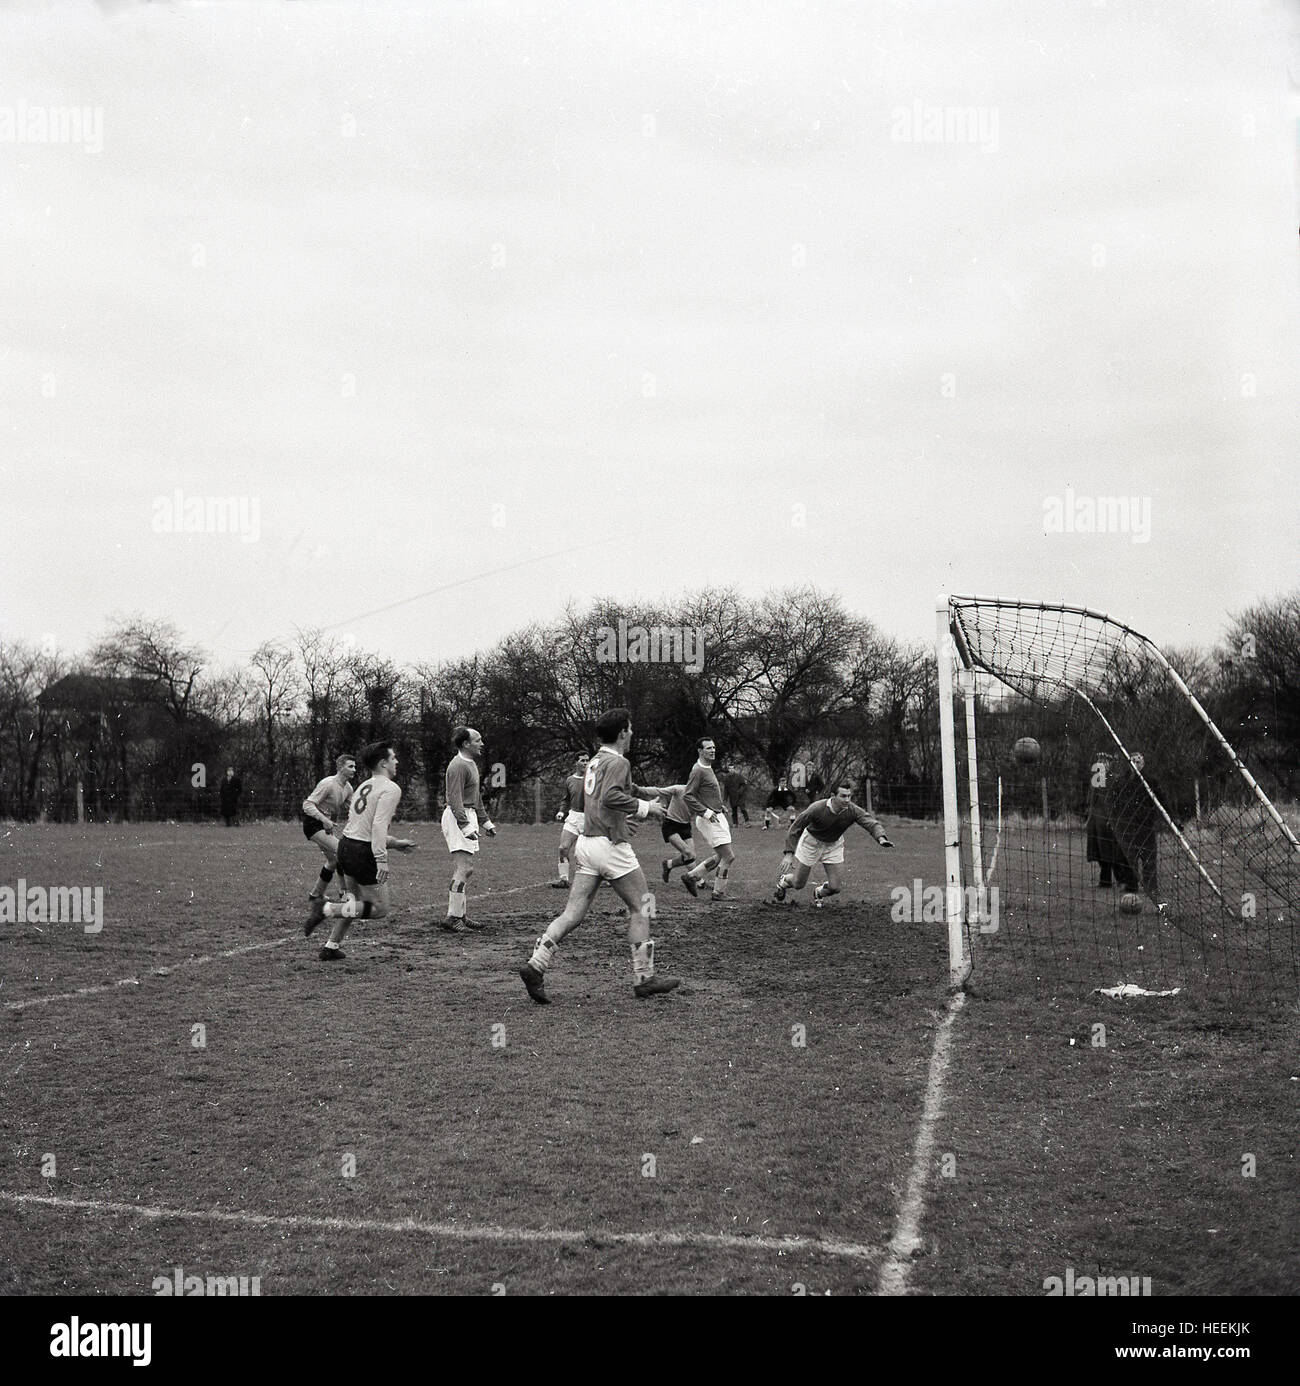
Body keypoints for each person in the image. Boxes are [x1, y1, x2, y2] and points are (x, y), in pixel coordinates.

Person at [519, 707, 678, 1003]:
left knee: (572, 913)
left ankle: (535, 965)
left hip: (587, 844)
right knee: (642, 907)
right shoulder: (619, 761)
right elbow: (611, 797)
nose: (632, 733)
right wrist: (647, 808)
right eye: (629, 729)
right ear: (621, 733)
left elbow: (619, 793)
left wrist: (653, 797)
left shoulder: (594, 762)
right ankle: (644, 978)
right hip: (610, 846)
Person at [305, 742, 416, 960]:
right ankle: (326, 909)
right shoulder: (391, 788)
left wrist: (395, 843)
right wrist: (382, 859)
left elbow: (361, 827)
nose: (397, 762)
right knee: (380, 908)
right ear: (383, 763)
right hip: (362, 852)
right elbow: (377, 827)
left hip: (346, 846)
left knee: (354, 902)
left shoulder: (365, 785)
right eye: (393, 758)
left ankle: (331, 947)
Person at [772, 780, 893, 904]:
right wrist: (789, 854)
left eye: (849, 796)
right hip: (811, 843)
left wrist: (881, 838)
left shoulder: (852, 810)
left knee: (835, 887)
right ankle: (784, 881)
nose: (847, 800)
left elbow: (871, 823)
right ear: (832, 796)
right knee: (798, 884)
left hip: (833, 845)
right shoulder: (817, 808)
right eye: (843, 796)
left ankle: (818, 893)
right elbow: (796, 827)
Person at [441, 726, 496, 932]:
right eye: (478, 740)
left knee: (467, 868)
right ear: (466, 744)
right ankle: (453, 917)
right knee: (464, 868)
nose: (482, 744)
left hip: (467, 815)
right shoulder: (457, 766)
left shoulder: (471, 763)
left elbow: (476, 796)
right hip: (458, 816)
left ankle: (458, 915)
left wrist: (485, 822)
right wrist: (464, 826)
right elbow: (454, 799)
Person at [681, 737, 737, 899]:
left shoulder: (707, 767)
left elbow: (706, 792)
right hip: (709, 819)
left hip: (715, 815)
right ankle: (718, 893)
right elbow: (688, 796)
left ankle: (691, 876)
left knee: (720, 856)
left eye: (713, 747)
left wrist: (719, 806)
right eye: (708, 748)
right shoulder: (698, 770)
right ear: (700, 751)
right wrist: (706, 812)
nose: (712, 750)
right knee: (728, 856)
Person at [301, 753, 357, 901]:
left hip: (325, 826)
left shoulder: (348, 788)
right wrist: (324, 820)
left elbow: (354, 809)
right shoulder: (328, 784)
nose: (354, 770)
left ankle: (315, 895)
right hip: (312, 824)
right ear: (340, 767)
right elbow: (307, 805)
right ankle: (344, 894)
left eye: (355, 766)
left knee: (333, 861)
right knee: (343, 852)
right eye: (350, 766)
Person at [553, 752, 591, 887]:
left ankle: (604, 877)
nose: (585, 763)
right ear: (576, 762)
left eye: (587, 760)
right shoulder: (569, 780)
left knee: (592, 851)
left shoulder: (593, 779)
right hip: (574, 816)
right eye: (582, 760)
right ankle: (564, 880)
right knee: (563, 848)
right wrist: (561, 811)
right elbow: (566, 799)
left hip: (590, 818)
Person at [658, 782, 696, 882]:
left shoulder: (700, 794)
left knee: (691, 855)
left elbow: (708, 803)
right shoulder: (679, 789)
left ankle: (669, 864)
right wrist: (638, 789)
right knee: (687, 852)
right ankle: (699, 881)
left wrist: (719, 808)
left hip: (685, 825)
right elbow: (659, 791)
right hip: (671, 824)